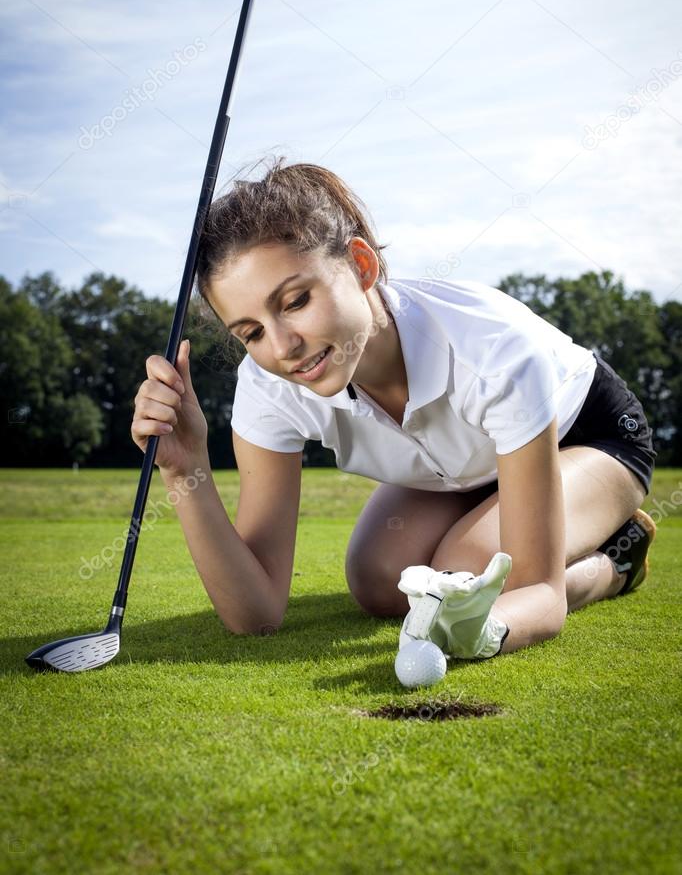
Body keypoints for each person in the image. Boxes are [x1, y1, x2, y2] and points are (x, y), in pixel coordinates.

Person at [130, 158, 658, 660]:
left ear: (361, 265)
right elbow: (256, 613)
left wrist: (482, 625)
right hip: (463, 468)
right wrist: (186, 467)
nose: (283, 346)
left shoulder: (493, 348)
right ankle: (601, 554)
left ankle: (611, 565)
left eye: (295, 302)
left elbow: (537, 595)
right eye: (251, 332)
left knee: (460, 573)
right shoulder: (267, 387)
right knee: (380, 581)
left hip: (585, 436)